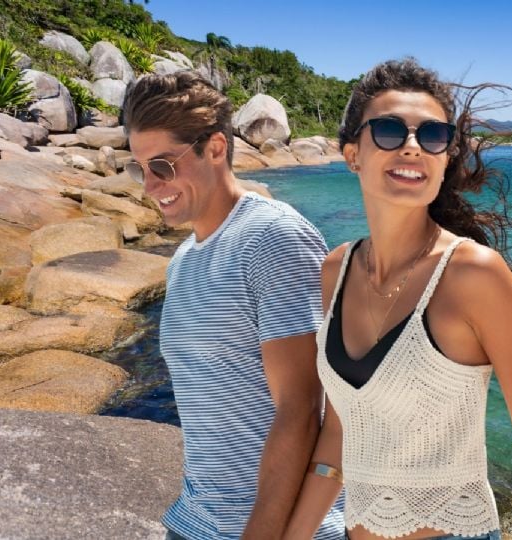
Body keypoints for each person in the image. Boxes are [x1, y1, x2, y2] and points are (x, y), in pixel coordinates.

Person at [284, 58, 512, 540]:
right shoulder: (336, 270)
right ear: (353, 154)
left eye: (433, 135)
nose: (412, 146)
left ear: (445, 158)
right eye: (390, 130)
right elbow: (341, 433)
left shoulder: (475, 275)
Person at [122, 71, 344, 540]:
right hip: (197, 520)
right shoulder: (183, 260)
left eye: (161, 165)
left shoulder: (272, 239)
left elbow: (302, 408)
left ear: (217, 148)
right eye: (138, 168)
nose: (149, 185)